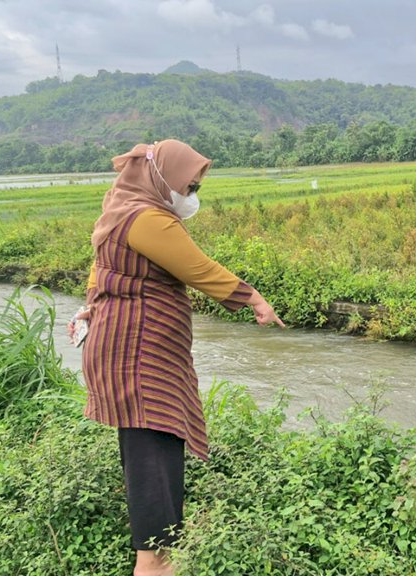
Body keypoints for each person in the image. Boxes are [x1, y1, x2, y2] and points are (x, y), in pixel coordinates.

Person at [69, 139, 284, 576]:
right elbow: (197, 268)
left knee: (153, 456)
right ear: (160, 177)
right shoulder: (146, 218)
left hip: (129, 351)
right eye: (188, 185)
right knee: (154, 452)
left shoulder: (119, 209)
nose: (192, 195)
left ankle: (157, 554)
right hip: (140, 357)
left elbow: (99, 275)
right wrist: (253, 297)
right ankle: (155, 561)